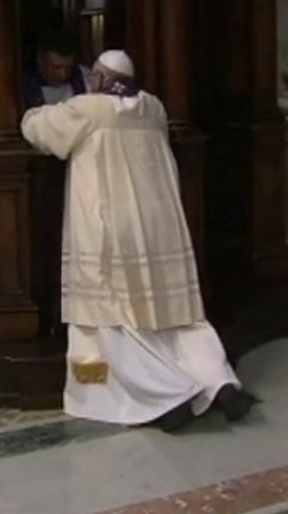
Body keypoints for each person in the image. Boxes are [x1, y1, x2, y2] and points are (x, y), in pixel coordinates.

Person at [20, 49, 257, 432]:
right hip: (156, 227)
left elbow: (40, 130)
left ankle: (159, 397)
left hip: (107, 229)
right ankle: (219, 381)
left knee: (105, 322)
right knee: (177, 318)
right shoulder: (154, 107)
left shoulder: (88, 109)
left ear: (98, 78)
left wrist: (30, 112)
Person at [22, 31, 91, 109]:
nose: (63, 74)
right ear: (40, 58)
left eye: (68, 68)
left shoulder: (86, 78)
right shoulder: (21, 84)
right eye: (55, 67)